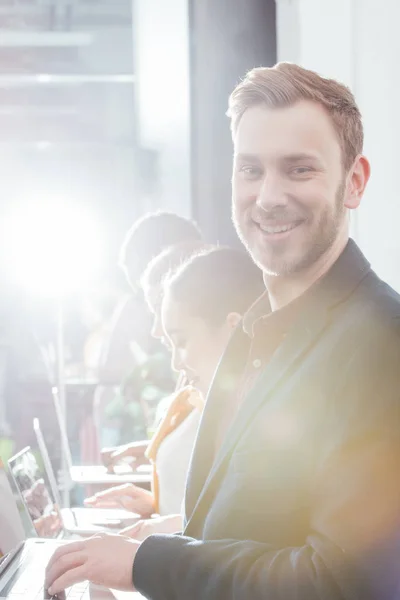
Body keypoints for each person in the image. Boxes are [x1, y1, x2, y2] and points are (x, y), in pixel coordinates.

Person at [45, 62, 400, 600]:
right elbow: (247, 524)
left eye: (299, 169)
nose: (268, 196)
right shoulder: (256, 330)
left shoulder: (380, 343)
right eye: (250, 170)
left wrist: (150, 564)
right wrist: (159, 539)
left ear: (354, 183)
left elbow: (343, 584)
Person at [86, 246, 263, 541]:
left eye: (180, 341)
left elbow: (236, 537)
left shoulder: (261, 423)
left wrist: (159, 533)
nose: (176, 362)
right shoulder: (225, 406)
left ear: (233, 328)